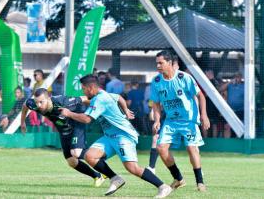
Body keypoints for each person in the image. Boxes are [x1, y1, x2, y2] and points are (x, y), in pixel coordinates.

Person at [59, 74, 172, 198]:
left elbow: (86, 119)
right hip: (110, 136)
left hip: (124, 136)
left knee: (132, 168)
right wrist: (126, 111)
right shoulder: (104, 95)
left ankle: (163, 186)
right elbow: (119, 97)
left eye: (84, 89)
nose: (83, 91)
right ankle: (115, 179)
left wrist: (69, 113)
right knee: (90, 156)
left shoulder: (100, 99)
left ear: (91, 87)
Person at [20, 88, 106, 187]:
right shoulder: (33, 104)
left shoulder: (62, 101)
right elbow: (25, 105)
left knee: (76, 152)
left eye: (41, 102)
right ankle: (97, 176)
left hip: (76, 122)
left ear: (49, 98)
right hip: (63, 128)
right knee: (71, 161)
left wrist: (101, 109)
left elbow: (85, 98)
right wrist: (22, 123)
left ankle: (99, 159)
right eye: (36, 102)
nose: (38, 105)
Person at [150, 51, 210, 192]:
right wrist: (157, 120)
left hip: (188, 120)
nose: (158, 66)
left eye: (161, 63)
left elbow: (201, 96)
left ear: (170, 63)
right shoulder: (156, 81)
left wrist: (204, 115)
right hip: (171, 121)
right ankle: (178, 178)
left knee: (191, 148)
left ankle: (200, 183)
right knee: (161, 148)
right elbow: (156, 103)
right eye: (156, 63)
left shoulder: (184, 77)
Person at [219, 72, 244, 138]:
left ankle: (239, 143)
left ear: (241, 78)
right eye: (235, 76)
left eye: (238, 77)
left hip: (241, 111)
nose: (237, 78)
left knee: (240, 128)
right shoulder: (230, 85)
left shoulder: (244, 86)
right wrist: (229, 82)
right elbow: (220, 89)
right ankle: (227, 145)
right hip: (231, 111)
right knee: (227, 126)